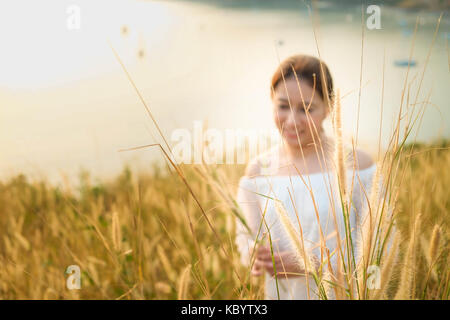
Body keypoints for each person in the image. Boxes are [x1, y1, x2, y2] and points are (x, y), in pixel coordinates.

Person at [235, 54, 377, 300]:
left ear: (329, 108)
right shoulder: (258, 172)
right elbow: (246, 240)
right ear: (271, 103)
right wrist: (254, 255)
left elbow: (379, 253)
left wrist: (311, 263)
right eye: (282, 106)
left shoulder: (357, 166)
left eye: (307, 108)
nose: (291, 121)